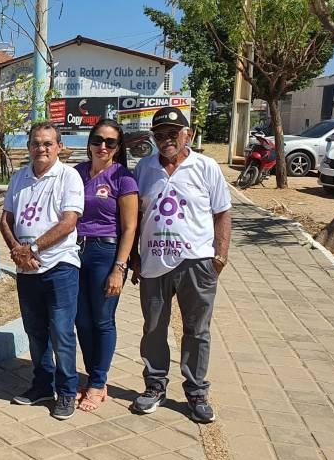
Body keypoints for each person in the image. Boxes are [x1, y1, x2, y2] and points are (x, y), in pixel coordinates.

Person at [130, 107, 231, 424]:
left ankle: (197, 392)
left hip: (196, 263)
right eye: (159, 135)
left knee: (197, 330)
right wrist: (134, 256)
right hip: (154, 263)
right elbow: (134, 217)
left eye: (173, 134)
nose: (166, 140)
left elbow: (222, 213)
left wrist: (219, 257)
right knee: (153, 328)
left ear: (189, 134)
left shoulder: (206, 167)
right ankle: (154, 386)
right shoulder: (144, 168)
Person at [0, 123, 85, 421]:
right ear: (28, 146)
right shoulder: (19, 177)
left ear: (59, 146)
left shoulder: (68, 176)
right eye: (36, 143)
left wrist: (32, 249)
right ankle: (42, 384)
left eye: (48, 143)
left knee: (61, 331)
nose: (41, 148)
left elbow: (68, 222)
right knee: (35, 332)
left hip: (59, 266)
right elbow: (6, 219)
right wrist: (17, 251)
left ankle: (67, 390)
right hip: (26, 269)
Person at [73, 119, 138, 412]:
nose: (102, 146)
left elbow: (130, 227)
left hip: (105, 252)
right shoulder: (77, 173)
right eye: (98, 140)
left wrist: (119, 268)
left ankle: (98, 383)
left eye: (110, 142)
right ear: (89, 142)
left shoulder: (123, 178)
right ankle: (93, 376)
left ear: (118, 147)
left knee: (102, 319)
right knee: (81, 320)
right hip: (75, 252)